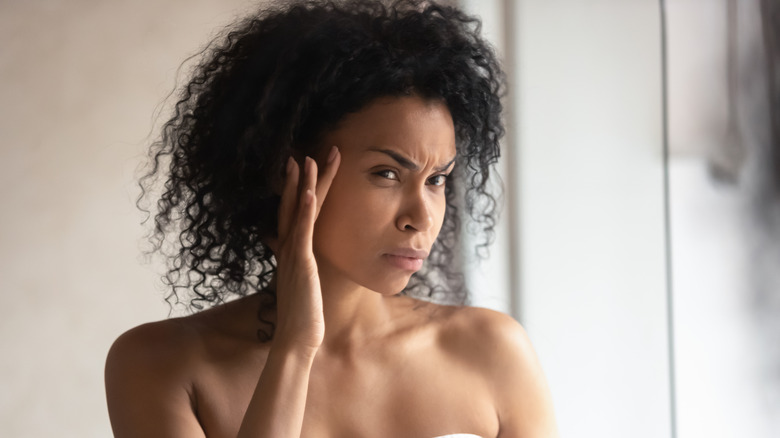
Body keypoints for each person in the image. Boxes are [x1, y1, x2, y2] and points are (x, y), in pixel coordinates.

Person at [104, 0, 558, 437]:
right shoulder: (160, 365)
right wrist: (295, 347)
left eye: (437, 180)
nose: (421, 217)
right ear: (289, 172)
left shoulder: (492, 351)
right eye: (386, 173)